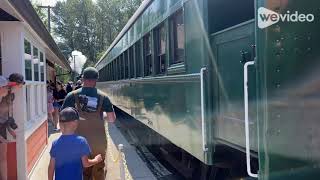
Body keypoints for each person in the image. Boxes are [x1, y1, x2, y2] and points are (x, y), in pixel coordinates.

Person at [61, 67, 116, 180]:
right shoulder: (104, 97)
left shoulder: (71, 96)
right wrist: (103, 116)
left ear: (83, 79)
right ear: (96, 80)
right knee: (99, 170)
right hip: (98, 142)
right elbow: (111, 119)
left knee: (82, 171)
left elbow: (62, 120)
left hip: (78, 141)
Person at [48, 107, 103, 180]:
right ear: (75, 123)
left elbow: (51, 167)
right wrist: (96, 160)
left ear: (60, 124)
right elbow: (85, 163)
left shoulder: (55, 144)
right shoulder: (81, 141)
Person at [0, 73, 24, 180]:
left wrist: (10, 129)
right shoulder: (4, 95)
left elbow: (6, 115)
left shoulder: (9, 95)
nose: (21, 87)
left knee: (3, 157)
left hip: (2, 127)